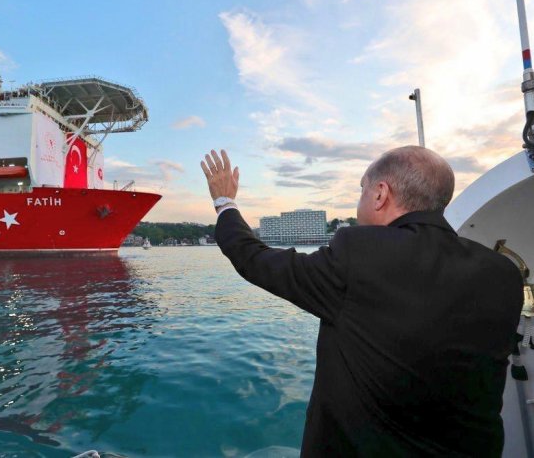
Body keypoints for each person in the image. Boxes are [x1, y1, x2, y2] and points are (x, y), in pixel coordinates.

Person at [200, 147, 523, 457]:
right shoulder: (503, 273)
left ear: (380, 194)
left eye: (362, 189)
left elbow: (255, 259)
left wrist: (225, 203)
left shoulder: (359, 254)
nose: (361, 199)